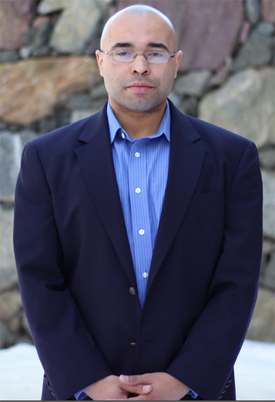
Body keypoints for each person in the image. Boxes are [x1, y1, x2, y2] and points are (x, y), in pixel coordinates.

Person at [13, 4, 263, 401]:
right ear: (100, 61)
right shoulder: (46, 159)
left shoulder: (232, 158)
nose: (140, 66)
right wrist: (87, 380)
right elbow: (40, 279)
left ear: (177, 63)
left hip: (195, 391)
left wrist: (186, 379)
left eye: (156, 52)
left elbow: (238, 280)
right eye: (124, 51)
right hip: (82, 391)